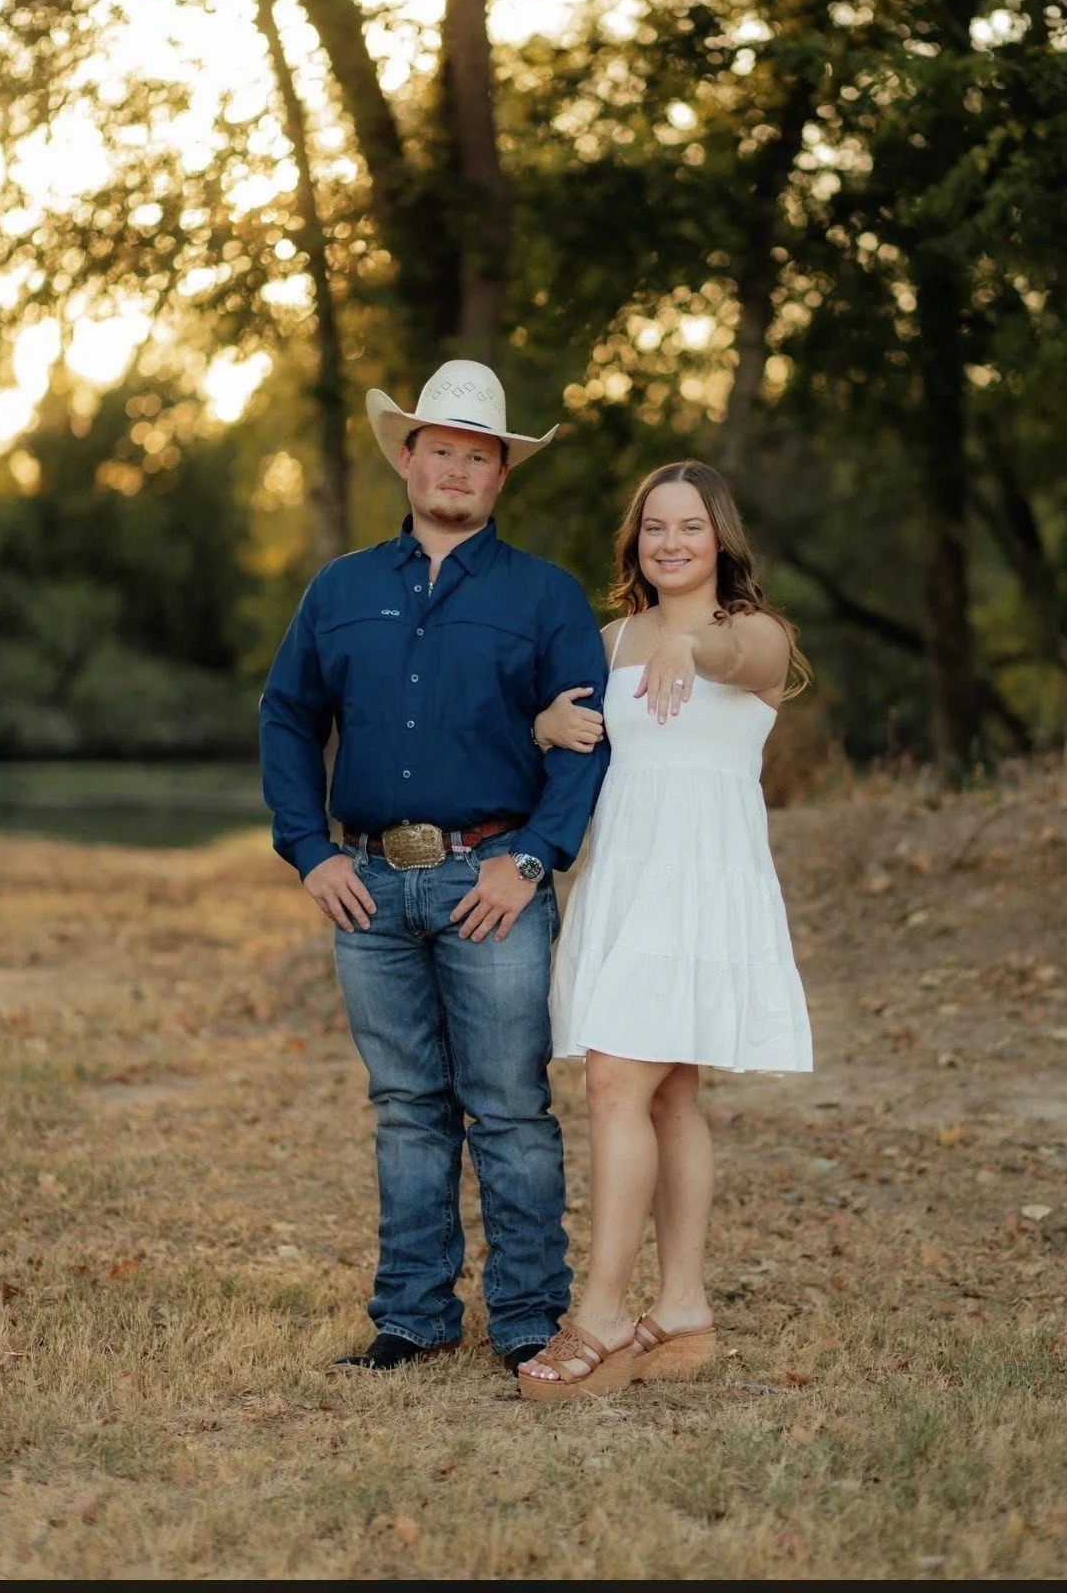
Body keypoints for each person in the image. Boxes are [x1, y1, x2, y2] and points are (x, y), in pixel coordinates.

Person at [259, 360, 609, 1376]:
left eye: (479, 457)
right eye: (441, 450)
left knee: (508, 1106)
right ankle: (414, 1315)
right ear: (408, 459)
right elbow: (287, 717)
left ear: (500, 476)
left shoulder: (545, 596)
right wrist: (308, 849)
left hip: (491, 879)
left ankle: (528, 1317)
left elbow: (590, 738)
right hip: (368, 885)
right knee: (407, 1106)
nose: (457, 469)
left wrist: (532, 859)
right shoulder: (341, 589)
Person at [516, 460, 813, 1399]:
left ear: (720, 538)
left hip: (702, 884)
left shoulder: (757, 632)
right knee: (670, 1094)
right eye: (654, 527)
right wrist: (546, 725)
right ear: (635, 541)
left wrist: (697, 647)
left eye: (689, 526)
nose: (671, 542)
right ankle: (682, 1306)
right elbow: (580, 739)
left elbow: (741, 663)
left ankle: (603, 1313)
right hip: (628, 878)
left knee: (615, 1081)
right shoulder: (610, 640)